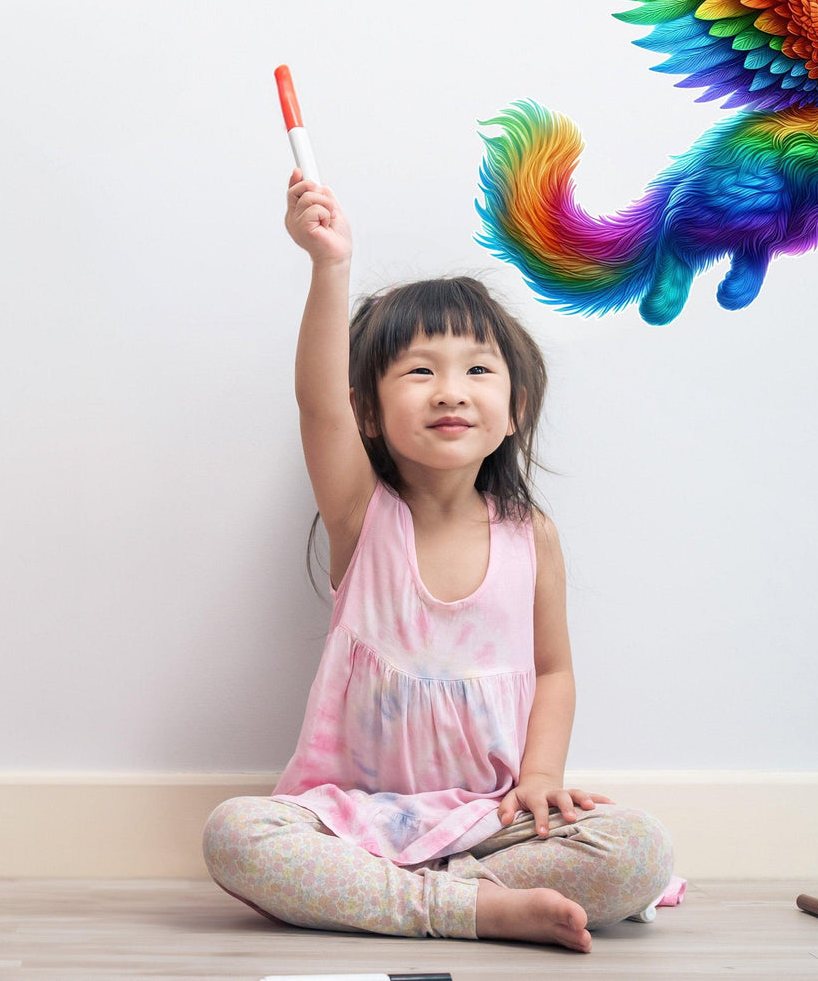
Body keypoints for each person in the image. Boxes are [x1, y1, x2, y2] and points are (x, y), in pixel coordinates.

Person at [201, 170, 673, 952]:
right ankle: (472, 911)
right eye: (420, 371)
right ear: (370, 414)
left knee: (639, 849)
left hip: (492, 823)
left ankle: (428, 898)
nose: (451, 390)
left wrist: (543, 781)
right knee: (236, 834)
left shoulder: (533, 536)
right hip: (354, 820)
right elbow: (317, 403)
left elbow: (553, 672)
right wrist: (330, 266)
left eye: (478, 370)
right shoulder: (362, 515)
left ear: (515, 407)